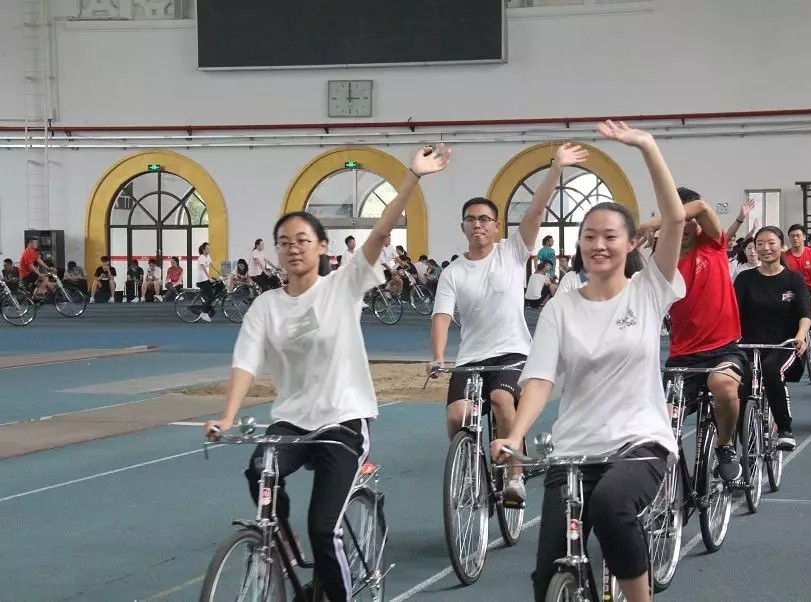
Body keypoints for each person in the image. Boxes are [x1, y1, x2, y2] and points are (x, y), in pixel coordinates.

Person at [204, 145, 450, 602]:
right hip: (292, 422)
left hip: (343, 421)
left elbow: (381, 232)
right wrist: (227, 416)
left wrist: (412, 178)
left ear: (322, 247)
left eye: (303, 240)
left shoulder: (343, 286)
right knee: (258, 471)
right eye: (285, 242)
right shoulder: (266, 306)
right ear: (277, 252)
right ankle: (280, 542)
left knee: (324, 528)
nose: (293, 248)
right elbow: (245, 363)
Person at [492, 121, 683, 602]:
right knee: (548, 576)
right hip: (574, 447)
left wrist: (647, 146)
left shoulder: (648, 290)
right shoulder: (560, 307)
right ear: (579, 244)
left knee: (612, 506)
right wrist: (515, 435)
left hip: (639, 442)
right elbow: (539, 379)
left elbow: (676, 220)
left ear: (631, 243)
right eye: (589, 236)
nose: (599, 245)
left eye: (610, 236)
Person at [431, 141, 589, 505]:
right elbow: (442, 316)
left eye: (484, 219)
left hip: (513, 353)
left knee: (502, 400)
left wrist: (556, 168)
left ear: (496, 225)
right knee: (457, 416)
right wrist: (438, 355)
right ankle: (470, 468)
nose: (477, 224)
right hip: (471, 357)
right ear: (463, 226)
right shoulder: (453, 272)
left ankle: (514, 477)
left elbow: (535, 211)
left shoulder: (512, 252)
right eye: (471, 219)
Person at [635, 187, 745, 483]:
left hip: (723, 348)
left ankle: (725, 445)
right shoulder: (663, 261)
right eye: (676, 222)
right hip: (683, 355)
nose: (682, 226)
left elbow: (703, 207)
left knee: (723, 386)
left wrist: (655, 221)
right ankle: (675, 490)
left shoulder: (713, 244)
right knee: (664, 422)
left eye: (686, 220)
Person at [734, 227, 811, 451]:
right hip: (749, 345)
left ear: (781, 246)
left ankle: (785, 429)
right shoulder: (745, 278)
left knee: (770, 370)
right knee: (740, 384)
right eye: (760, 244)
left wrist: (800, 336)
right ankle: (743, 441)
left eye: (771, 243)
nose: (765, 248)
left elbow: (805, 314)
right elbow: (732, 312)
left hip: (784, 346)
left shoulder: (793, 279)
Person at [785, 224, 811, 347]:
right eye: (792, 236)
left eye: (798, 235)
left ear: (804, 237)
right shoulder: (785, 256)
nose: (795, 238)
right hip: (794, 290)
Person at [196, 243, 218, 322]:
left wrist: (221, 273)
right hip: (201, 280)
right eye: (207, 248)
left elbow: (213, 266)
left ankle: (211, 300)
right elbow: (204, 269)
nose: (209, 250)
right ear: (203, 249)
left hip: (206, 279)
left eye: (209, 248)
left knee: (218, 283)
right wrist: (209, 278)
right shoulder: (201, 257)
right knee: (211, 296)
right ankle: (204, 313)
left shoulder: (208, 256)